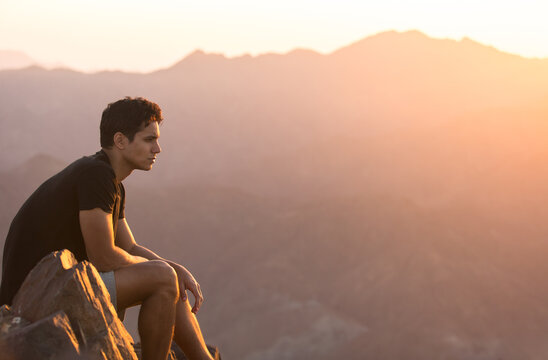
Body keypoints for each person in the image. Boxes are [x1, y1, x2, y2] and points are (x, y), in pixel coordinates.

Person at [0, 97, 215, 360]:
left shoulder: (109, 180)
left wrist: (175, 268)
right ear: (121, 140)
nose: (157, 148)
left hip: (57, 288)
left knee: (170, 278)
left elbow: (129, 247)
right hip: (38, 298)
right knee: (162, 278)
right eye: (149, 139)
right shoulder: (96, 176)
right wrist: (162, 271)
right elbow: (103, 256)